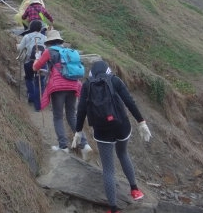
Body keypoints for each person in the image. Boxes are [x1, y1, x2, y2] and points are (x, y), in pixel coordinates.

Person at [74, 60, 152, 213]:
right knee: (123, 154)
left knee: (108, 169)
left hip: (102, 129)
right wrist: (141, 122)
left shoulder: (87, 85)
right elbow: (129, 101)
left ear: (92, 73)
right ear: (107, 70)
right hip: (121, 125)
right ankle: (135, 190)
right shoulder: (115, 80)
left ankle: (114, 209)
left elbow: (82, 109)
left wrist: (78, 131)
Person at [33, 30, 92, 158]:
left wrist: (37, 58)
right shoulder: (68, 52)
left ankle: (63, 146)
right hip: (73, 85)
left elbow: (35, 67)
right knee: (72, 116)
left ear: (48, 42)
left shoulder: (49, 51)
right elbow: (57, 69)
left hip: (58, 87)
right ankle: (85, 144)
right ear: (59, 41)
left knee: (58, 116)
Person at [16, 20, 47, 111]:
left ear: (31, 27)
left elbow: (21, 48)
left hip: (29, 61)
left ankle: (31, 96)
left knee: (29, 78)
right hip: (41, 62)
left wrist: (17, 46)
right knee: (40, 82)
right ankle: (40, 103)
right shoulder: (44, 37)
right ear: (40, 28)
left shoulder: (27, 36)